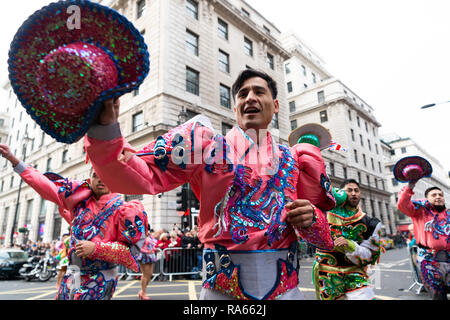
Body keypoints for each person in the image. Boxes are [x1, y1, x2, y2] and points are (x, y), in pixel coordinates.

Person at [84, 68, 336, 300]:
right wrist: (105, 128)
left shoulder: (295, 159)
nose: (250, 98)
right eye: (242, 94)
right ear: (235, 108)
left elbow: (325, 239)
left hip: (286, 292)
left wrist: (312, 218)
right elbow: (137, 174)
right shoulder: (205, 148)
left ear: (276, 105)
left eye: (259, 92)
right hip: (221, 292)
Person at [0, 143, 148, 300]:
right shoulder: (78, 201)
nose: (100, 180)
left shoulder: (125, 210)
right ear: (90, 178)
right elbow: (45, 185)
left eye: (105, 176)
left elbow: (131, 253)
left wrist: (95, 248)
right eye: (96, 175)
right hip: (73, 274)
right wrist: (14, 159)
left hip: (101, 279)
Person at [313, 179, 384, 300]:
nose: (353, 193)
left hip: (355, 273)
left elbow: (370, 256)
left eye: (356, 190)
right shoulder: (324, 214)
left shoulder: (370, 223)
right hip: (327, 272)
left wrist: (350, 245)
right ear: (341, 193)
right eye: (349, 190)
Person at [397, 182, 449, 300]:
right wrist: (410, 185)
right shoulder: (420, 212)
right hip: (429, 262)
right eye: (434, 195)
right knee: (438, 296)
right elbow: (402, 204)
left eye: (440, 194)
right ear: (427, 199)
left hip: (449, 259)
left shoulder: (448, 215)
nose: (438, 197)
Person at [136, 224, 157, 300]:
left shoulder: (150, 235)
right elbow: (139, 248)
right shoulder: (140, 236)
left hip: (151, 256)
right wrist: (148, 251)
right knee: (145, 275)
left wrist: (154, 249)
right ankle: (143, 293)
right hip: (143, 256)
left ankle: (142, 291)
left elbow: (152, 245)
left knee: (150, 275)